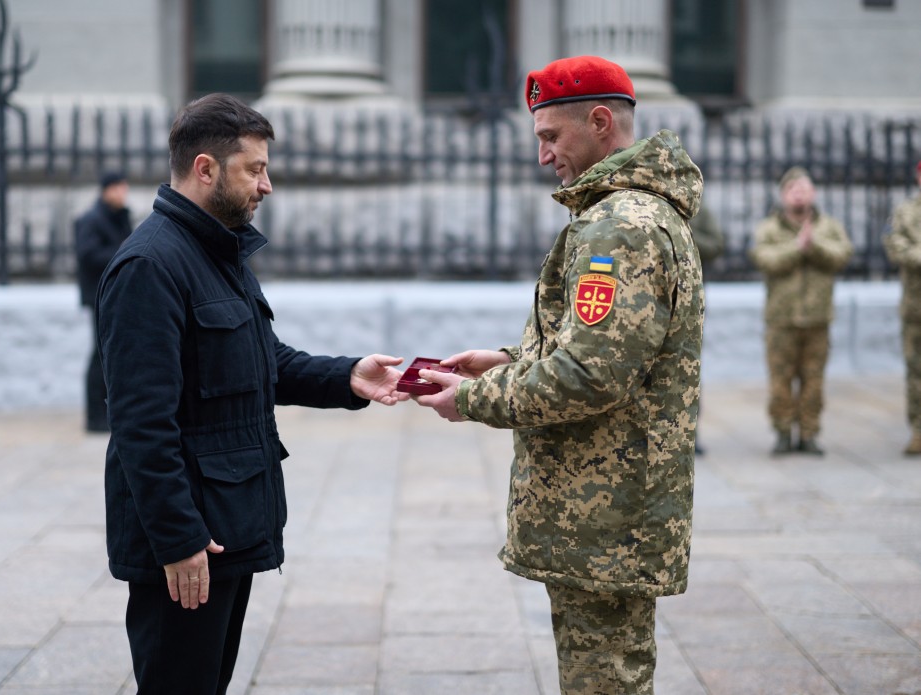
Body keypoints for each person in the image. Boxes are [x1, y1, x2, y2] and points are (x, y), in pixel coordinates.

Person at [95, 93, 407, 695]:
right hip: (191, 540)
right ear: (205, 168)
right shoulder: (151, 265)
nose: (267, 185)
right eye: (254, 169)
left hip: (226, 526)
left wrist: (348, 376)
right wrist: (179, 538)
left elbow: (266, 361)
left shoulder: (216, 250)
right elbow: (140, 423)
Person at [413, 55, 704, 695]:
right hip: (606, 510)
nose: (543, 155)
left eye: (550, 136)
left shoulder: (620, 227)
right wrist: (509, 361)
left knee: (604, 681)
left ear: (600, 122)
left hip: (604, 513)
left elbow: (591, 375)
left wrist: (475, 397)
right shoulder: (633, 214)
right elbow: (605, 351)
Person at [750, 167, 853, 456]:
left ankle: (809, 434)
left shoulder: (829, 227)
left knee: (813, 381)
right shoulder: (769, 228)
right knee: (780, 381)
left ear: (813, 193)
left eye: (804, 189)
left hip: (818, 319)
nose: (798, 194)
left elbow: (842, 255)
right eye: (793, 189)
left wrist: (814, 245)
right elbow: (764, 259)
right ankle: (783, 433)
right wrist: (797, 247)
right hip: (781, 320)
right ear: (783, 195)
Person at [75, 171, 132, 432]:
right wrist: (122, 250)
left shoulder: (120, 217)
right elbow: (88, 255)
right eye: (118, 188)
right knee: (100, 355)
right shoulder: (92, 219)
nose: (123, 193)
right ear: (106, 190)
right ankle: (95, 417)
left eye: (124, 188)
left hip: (117, 295)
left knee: (112, 353)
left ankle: (110, 412)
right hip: (99, 295)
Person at [883, 160, 921, 456]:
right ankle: (919, 429)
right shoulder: (905, 211)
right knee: (916, 370)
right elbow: (894, 245)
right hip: (915, 307)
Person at [688, 205, 726, 455]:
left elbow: (715, 245)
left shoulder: (698, 210)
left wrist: (685, 233)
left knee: (688, 370)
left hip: (690, 302)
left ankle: (690, 434)